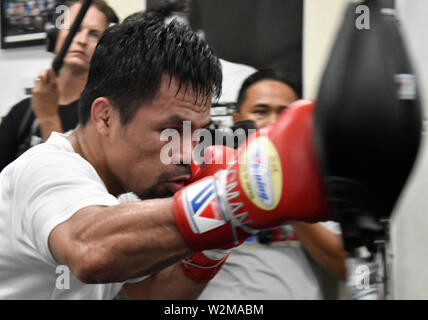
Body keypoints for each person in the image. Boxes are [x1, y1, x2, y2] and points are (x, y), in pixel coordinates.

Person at [0, 10, 331, 299]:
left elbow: (152, 294)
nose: (189, 154)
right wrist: (235, 198)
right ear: (105, 117)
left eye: (197, 134)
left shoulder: (127, 194)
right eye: (170, 130)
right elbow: (90, 251)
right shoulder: (48, 168)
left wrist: (216, 243)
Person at [198, 69, 348, 300]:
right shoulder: (211, 172)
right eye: (260, 111)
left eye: (285, 114)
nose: (273, 123)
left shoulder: (320, 183)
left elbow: (345, 266)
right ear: (238, 121)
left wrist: (288, 196)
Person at [0, 0, 118, 172]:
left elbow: (74, 181)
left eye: (94, 34)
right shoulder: (22, 112)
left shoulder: (104, 115)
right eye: (74, 30)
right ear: (54, 35)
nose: (82, 40)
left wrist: (48, 118)